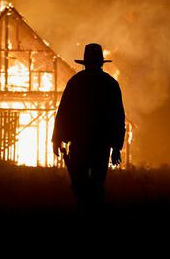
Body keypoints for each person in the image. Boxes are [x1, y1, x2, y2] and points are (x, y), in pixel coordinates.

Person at [52, 43, 126, 207]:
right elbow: (118, 118)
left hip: (80, 143)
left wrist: (56, 139)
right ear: (101, 63)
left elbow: (63, 113)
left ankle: (85, 214)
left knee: (80, 185)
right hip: (101, 145)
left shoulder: (76, 83)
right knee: (97, 185)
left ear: (85, 62)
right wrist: (116, 147)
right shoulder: (110, 84)